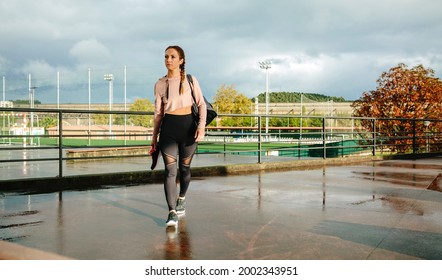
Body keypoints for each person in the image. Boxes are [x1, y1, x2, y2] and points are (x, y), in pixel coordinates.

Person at [152, 45, 207, 227]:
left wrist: (201, 128)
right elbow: (158, 114)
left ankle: (181, 197)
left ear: (181, 60)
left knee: (184, 170)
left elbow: (201, 105)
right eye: (166, 56)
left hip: (189, 129)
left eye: (173, 56)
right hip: (168, 130)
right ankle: (171, 212)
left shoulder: (191, 80)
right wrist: (154, 139)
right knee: (170, 171)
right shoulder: (160, 84)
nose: (168, 59)